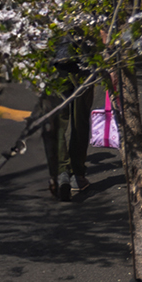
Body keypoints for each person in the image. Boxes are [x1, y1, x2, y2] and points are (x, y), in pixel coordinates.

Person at [39, 42, 92, 200]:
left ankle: (62, 171)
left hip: (55, 65)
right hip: (83, 64)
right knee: (80, 121)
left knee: (58, 123)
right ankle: (78, 174)